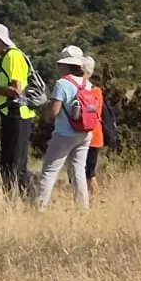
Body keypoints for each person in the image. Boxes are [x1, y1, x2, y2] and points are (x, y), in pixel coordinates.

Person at [35, 46, 97, 210]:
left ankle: (40, 208)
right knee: (78, 170)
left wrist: (44, 110)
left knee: (49, 171)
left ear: (66, 65)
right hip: (85, 132)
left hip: (64, 133)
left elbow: (54, 111)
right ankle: (83, 208)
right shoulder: (87, 83)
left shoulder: (62, 83)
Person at [0, 23, 36, 203]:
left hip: (17, 115)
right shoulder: (6, 57)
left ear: (0, 40)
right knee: (11, 164)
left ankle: (26, 204)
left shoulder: (12, 57)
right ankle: (22, 203)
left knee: (14, 165)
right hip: (12, 115)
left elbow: (16, 90)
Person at [84, 58, 108, 202]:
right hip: (94, 136)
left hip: (92, 137)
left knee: (89, 173)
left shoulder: (95, 91)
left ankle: (94, 198)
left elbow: (93, 111)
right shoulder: (96, 91)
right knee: (87, 172)